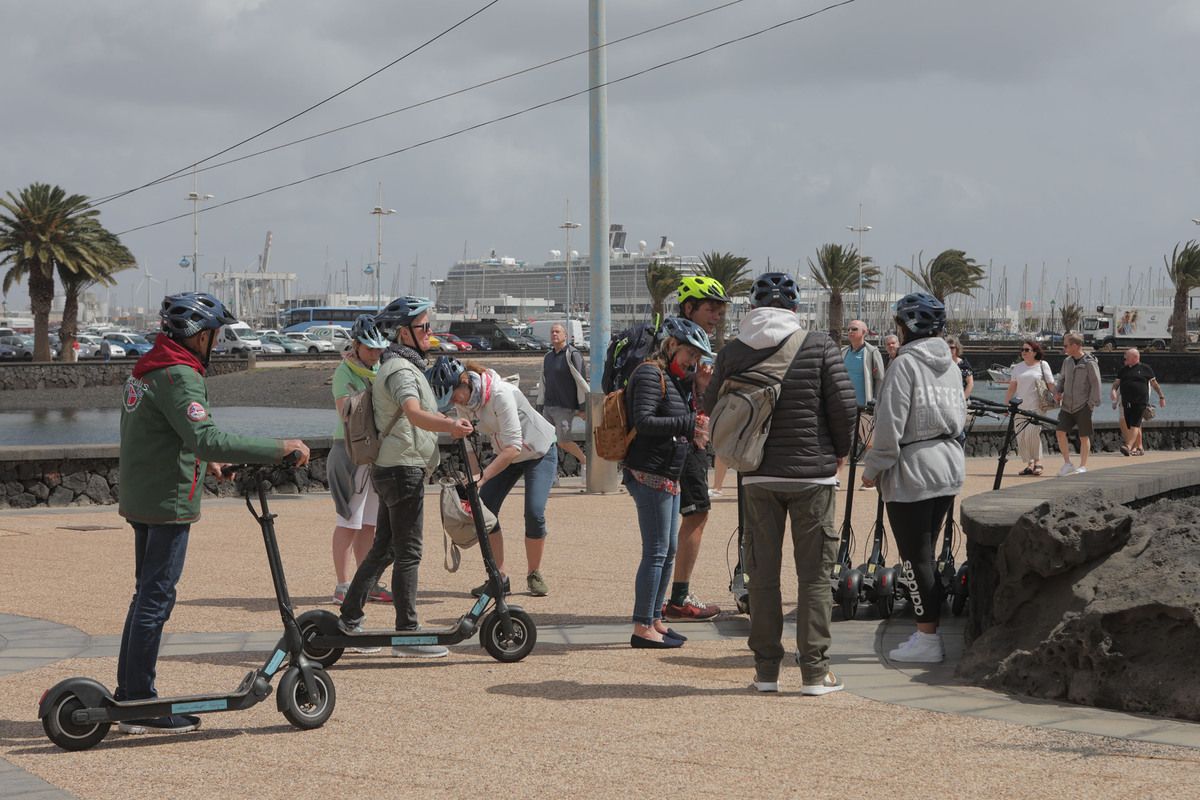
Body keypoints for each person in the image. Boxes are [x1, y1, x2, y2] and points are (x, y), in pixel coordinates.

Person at [116, 292, 311, 734]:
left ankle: (131, 694)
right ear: (199, 335)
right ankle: (141, 703)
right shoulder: (180, 376)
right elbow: (204, 437)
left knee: (145, 596)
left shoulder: (148, 367)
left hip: (143, 496)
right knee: (156, 599)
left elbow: (162, 433)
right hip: (166, 502)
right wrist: (280, 446)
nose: (217, 343)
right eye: (215, 335)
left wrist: (206, 463)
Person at [704, 273, 856, 694]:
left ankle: (766, 671)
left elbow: (711, 404)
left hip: (757, 475)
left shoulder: (734, 350)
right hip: (814, 475)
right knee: (814, 577)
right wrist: (840, 451)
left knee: (762, 575)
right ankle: (814, 672)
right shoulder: (819, 344)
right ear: (793, 307)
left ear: (752, 308)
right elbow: (843, 406)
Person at [337, 296, 473, 658]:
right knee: (408, 551)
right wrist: (449, 425)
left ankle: (349, 619)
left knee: (385, 548)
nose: (430, 334)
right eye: (424, 327)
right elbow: (413, 413)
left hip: (397, 466)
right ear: (403, 332)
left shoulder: (403, 366)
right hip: (402, 469)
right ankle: (407, 633)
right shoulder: (399, 369)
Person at [861, 292, 966, 664]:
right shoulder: (951, 366)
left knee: (914, 557)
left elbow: (889, 427)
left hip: (914, 469)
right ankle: (928, 632)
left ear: (907, 327)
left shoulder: (903, 366)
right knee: (930, 553)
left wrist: (872, 470)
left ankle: (927, 638)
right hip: (948, 464)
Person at [429, 356, 558, 597]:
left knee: (534, 511)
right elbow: (467, 444)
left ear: (465, 382)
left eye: (455, 395)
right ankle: (499, 577)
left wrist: (483, 478)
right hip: (507, 455)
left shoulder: (500, 394)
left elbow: (514, 447)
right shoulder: (464, 402)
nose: (454, 401)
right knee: (484, 510)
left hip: (538, 451)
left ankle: (534, 573)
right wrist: (474, 477)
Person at [624, 317, 713, 648]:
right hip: (649, 473)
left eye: (697, 355)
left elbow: (679, 417)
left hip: (667, 474)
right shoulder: (650, 374)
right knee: (656, 552)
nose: (694, 361)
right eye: (690, 353)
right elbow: (645, 420)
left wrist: (697, 399)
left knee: (668, 550)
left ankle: (655, 620)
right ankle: (642, 626)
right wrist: (690, 422)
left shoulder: (675, 380)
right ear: (671, 345)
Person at [663, 275, 730, 622]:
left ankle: (666, 599)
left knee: (681, 517)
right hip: (682, 442)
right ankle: (678, 597)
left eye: (720, 310)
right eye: (711, 308)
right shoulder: (679, 345)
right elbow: (674, 396)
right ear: (689, 308)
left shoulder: (687, 343)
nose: (717, 315)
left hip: (687, 439)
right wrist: (700, 386)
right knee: (696, 512)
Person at [328, 315, 392, 607]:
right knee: (349, 520)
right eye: (370, 349)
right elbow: (346, 412)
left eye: (379, 349)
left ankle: (366, 581)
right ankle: (343, 584)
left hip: (374, 453)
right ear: (356, 345)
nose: (376, 354)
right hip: (350, 451)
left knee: (369, 524)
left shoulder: (381, 369)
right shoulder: (344, 372)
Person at [540, 322, 588, 478]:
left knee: (563, 441)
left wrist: (582, 407)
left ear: (565, 336)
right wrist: (540, 405)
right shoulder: (547, 357)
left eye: (558, 332)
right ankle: (551, 477)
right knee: (546, 442)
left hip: (565, 406)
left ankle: (584, 461)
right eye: (552, 332)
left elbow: (581, 380)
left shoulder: (573, 354)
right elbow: (544, 381)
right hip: (548, 406)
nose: (554, 334)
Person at [1005, 339, 1055, 476]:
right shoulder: (1017, 367)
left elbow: (1051, 384)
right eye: (1022, 350)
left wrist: (1059, 396)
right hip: (1019, 407)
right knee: (1022, 436)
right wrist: (1006, 405)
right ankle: (1029, 464)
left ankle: (1038, 462)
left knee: (1033, 434)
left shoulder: (1043, 365)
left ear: (1035, 352)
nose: (1023, 352)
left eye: (1027, 350)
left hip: (1037, 407)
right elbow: (1011, 388)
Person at [1054, 332, 1101, 475]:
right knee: (1060, 432)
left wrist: (1091, 404)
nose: (1064, 348)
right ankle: (1067, 463)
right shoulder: (1067, 361)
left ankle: (1083, 466)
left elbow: (1096, 384)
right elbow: (1062, 379)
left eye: (1066, 345)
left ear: (1075, 345)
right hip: (1067, 405)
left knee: (1083, 436)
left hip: (1083, 406)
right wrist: (1057, 391)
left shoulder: (1089, 362)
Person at [1111, 347, 1165, 456]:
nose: (1125, 358)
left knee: (1135, 424)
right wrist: (1113, 391)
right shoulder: (1123, 370)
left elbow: (1154, 384)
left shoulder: (1145, 368)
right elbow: (1116, 383)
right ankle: (1137, 448)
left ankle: (1129, 446)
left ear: (1135, 357)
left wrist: (1161, 397)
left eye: (1127, 357)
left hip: (1140, 402)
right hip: (1126, 402)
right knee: (1129, 424)